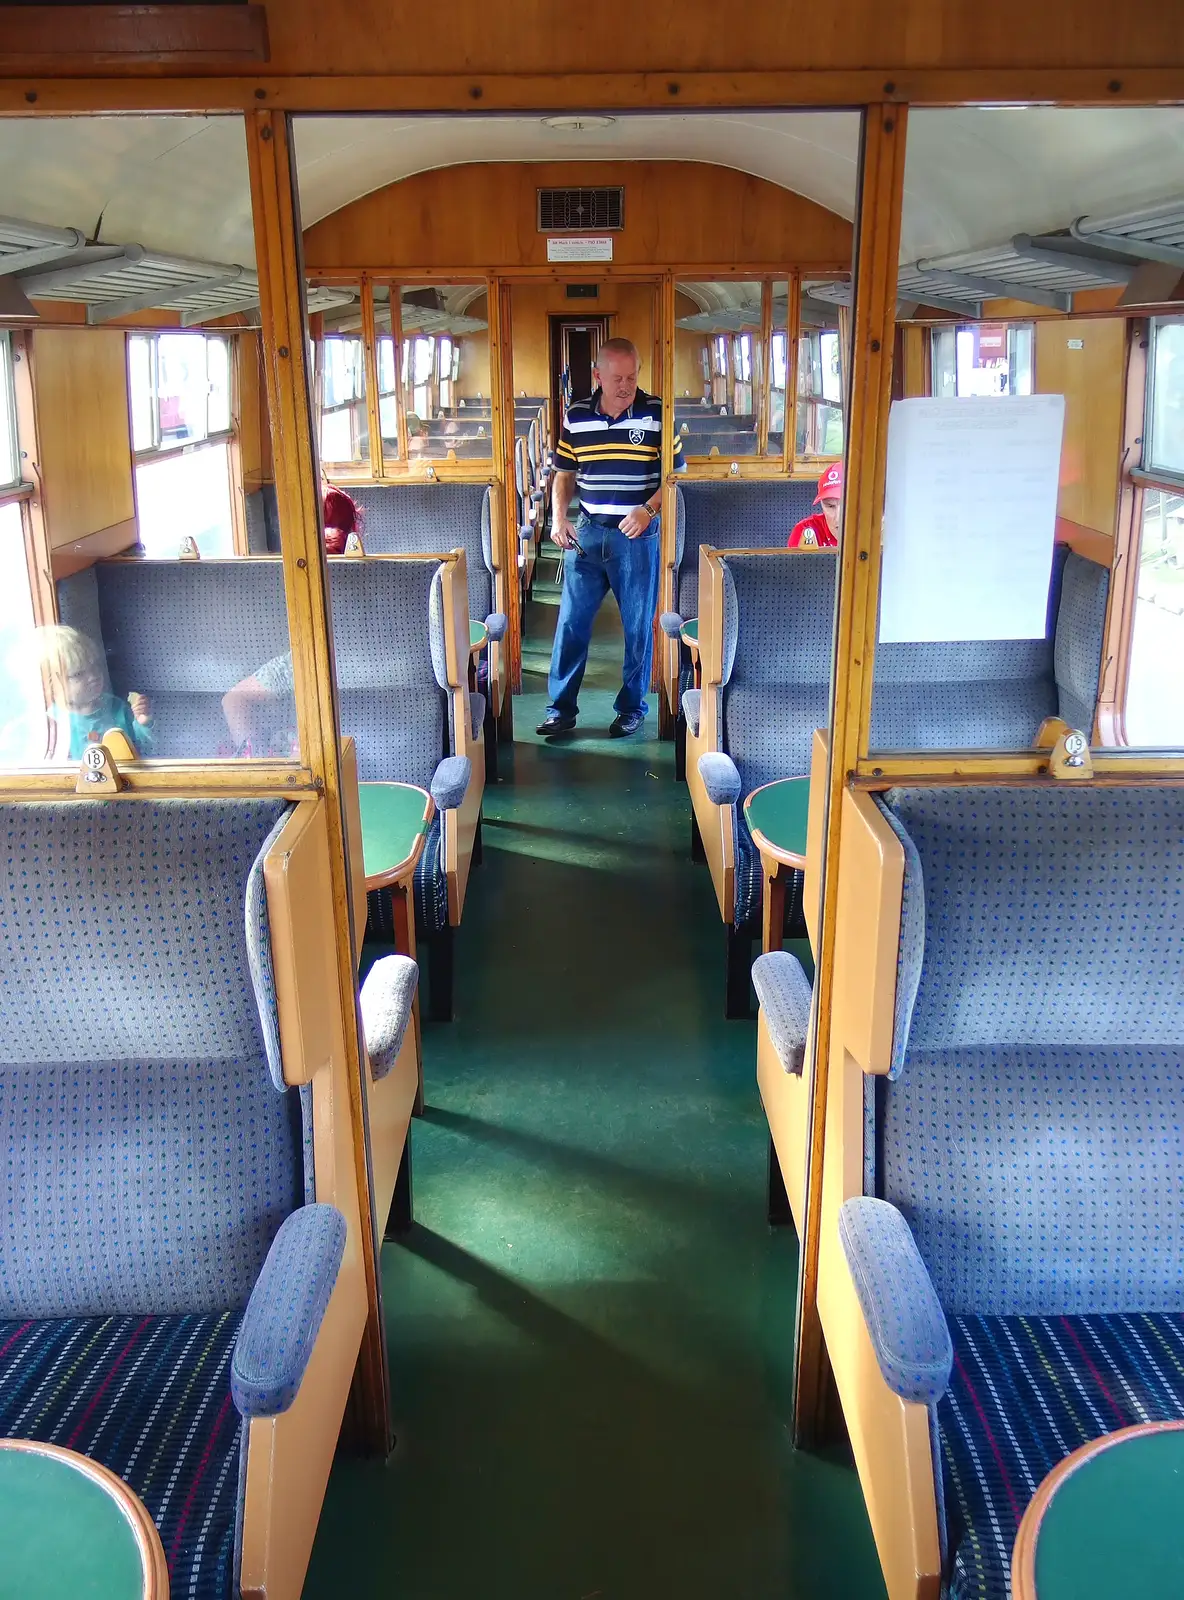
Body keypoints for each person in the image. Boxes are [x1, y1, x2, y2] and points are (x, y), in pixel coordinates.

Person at [536, 338, 685, 739]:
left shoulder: (656, 413)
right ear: (598, 376)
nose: (626, 385)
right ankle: (560, 708)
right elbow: (564, 474)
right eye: (617, 378)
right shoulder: (576, 415)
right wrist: (557, 519)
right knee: (570, 624)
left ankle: (632, 707)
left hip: (636, 536)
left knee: (637, 627)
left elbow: (675, 477)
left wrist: (649, 510)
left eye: (632, 377)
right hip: (587, 531)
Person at [38, 625, 155, 760]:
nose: (93, 676)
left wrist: (142, 723)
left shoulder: (117, 707)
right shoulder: (50, 722)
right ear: (52, 684)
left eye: (95, 666)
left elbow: (142, 752)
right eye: (78, 674)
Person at [787, 461, 843, 548]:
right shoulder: (805, 531)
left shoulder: (870, 534)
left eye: (846, 506)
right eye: (830, 506)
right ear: (822, 505)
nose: (838, 518)